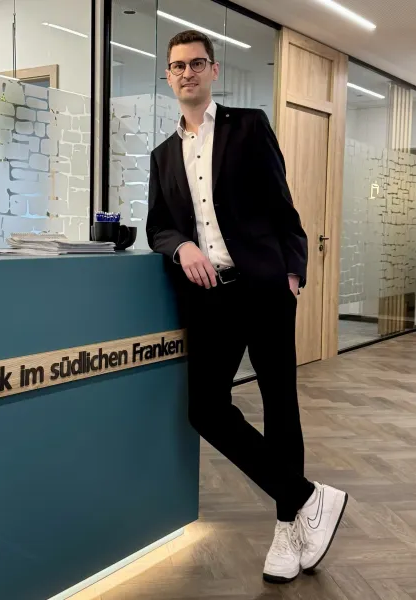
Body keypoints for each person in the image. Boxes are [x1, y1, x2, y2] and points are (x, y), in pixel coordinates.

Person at [146, 30, 348, 584]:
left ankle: (289, 527)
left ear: (213, 71)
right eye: (177, 66)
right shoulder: (162, 156)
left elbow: (283, 205)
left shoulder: (249, 126)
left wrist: (292, 271)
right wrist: (181, 246)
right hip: (210, 297)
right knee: (206, 409)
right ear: (168, 76)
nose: (186, 73)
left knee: (280, 405)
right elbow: (158, 225)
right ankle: (307, 497)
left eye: (196, 63)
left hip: (264, 288)